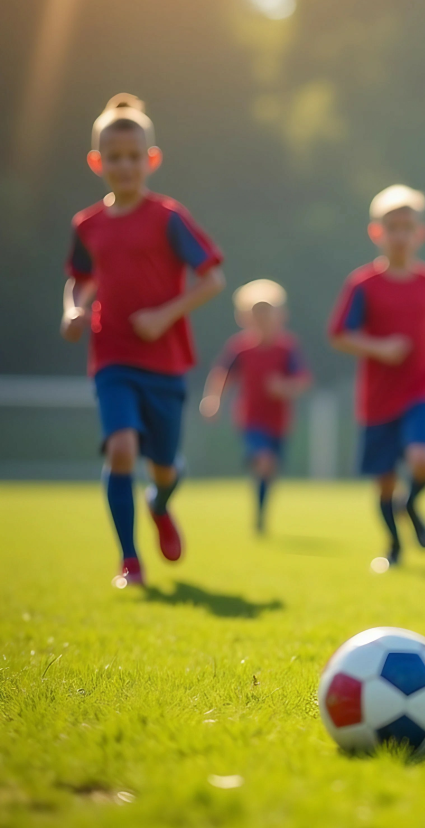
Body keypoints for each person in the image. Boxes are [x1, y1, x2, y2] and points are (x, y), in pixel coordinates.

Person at [61, 94, 225, 588]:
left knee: (164, 468)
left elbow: (213, 279)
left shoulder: (168, 217)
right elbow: (80, 279)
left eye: (134, 156)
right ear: (97, 162)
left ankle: (160, 503)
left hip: (166, 361)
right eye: (114, 157)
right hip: (111, 355)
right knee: (121, 449)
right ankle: (130, 561)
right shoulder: (86, 225)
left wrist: (164, 314)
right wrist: (72, 309)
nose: (124, 165)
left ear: (151, 160)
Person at [329, 185, 425, 566]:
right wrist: (380, 348)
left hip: (420, 389)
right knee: (383, 480)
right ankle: (394, 547)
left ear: (421, 234)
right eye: (392, 226)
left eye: (407, 227)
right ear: (376, 232)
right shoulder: (362, 284)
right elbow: (339, 334)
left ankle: (411, 505)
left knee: (422, 461)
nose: (400, 234)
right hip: (378, 397)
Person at [200, 279, 312, 533]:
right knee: (263, 460)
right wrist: (213, 400)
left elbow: (302, 381)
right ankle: (259, 516)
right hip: (251, 419)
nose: (262, 318)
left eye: (267, 312)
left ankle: (261, 513)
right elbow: (222, 374)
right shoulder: (240, 348)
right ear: (245, 317)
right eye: (256, 313)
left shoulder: (287, 348)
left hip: (280, 422)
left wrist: (284, 387)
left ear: (279, 315)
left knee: (269, 469)